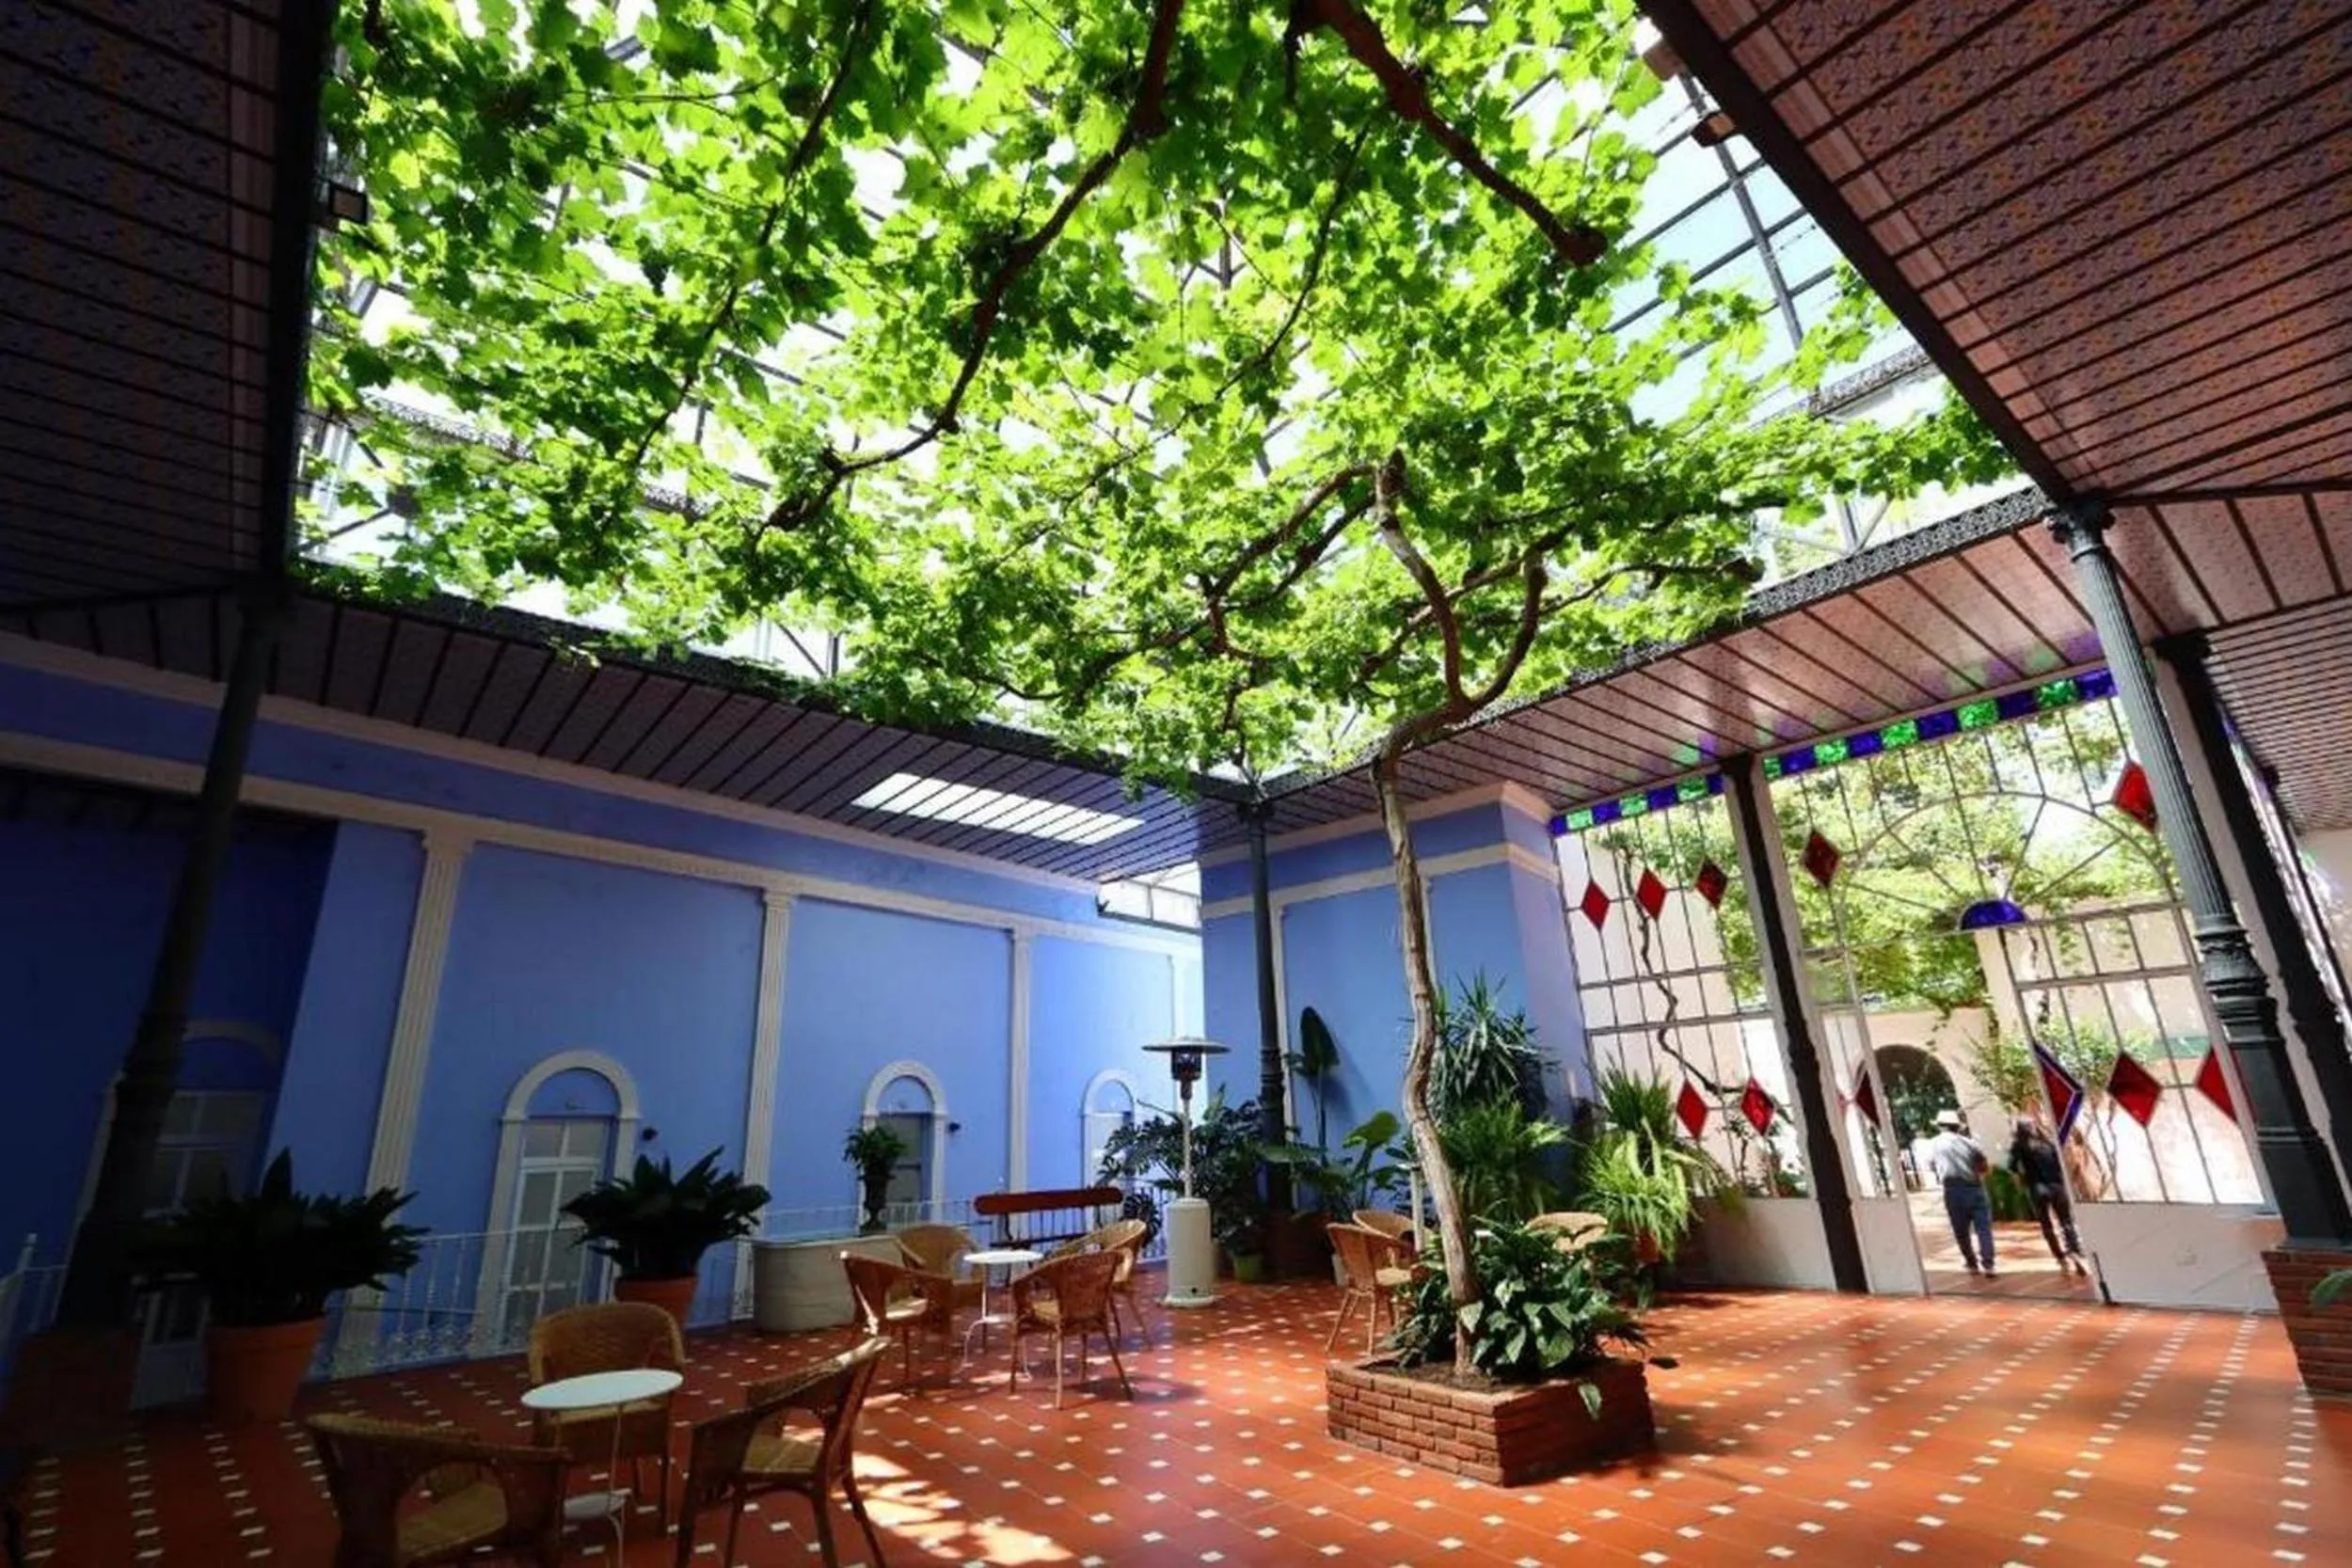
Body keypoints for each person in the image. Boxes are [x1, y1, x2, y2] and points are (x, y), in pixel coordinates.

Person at [1921, 1108, 1995, 1277]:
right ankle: (1989, 1263)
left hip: (1953, 1189)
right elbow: (1984, 1166)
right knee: (1983, 1228)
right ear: (1957, 1126)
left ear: (1941, 1126)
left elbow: (1930, 1166)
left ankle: (1971, 1263)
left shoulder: (1933, 1144)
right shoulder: (1970, 1143)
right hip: (1974, 1187)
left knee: (1961, 1230)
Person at [2009, 1117, 2086, 1275]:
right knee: (2066, 1221)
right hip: (2057, 1187)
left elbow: (2012, 1167)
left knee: (2047, 1225)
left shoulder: (2019, 1145)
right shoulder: (2048, 1143)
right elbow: (2060, 1165)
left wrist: (2020, 1181)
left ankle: (2061, 1259)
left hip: (2037, 1188)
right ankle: (2074, 1250)